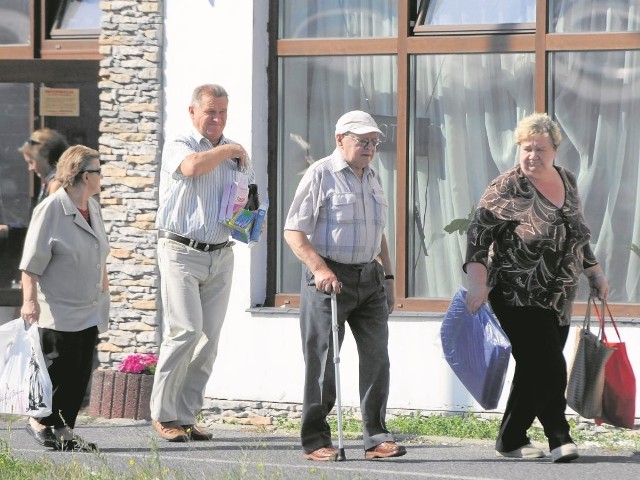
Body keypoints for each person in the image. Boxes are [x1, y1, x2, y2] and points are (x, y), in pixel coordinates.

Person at [463, 112, 609, 463]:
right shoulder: (505, 187)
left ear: (555, 150)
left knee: (533, 368)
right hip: (516, 292)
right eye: (526, 149)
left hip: (558, 295)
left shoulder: (567, 180)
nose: (532, 156)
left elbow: (578, 233)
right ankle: (560, 437)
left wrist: (595, 274)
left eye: (540, 149)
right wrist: (478, 284)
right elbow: (477, 239)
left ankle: (510, 439)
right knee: (549, 365)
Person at [284, 110, 406, 461]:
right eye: (362, 141)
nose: (370, 148)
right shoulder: (320, 173)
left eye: (374, 142)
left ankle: (376, 438)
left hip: (369, 277)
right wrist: (320, 269)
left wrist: (389, 279)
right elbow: (293, 231)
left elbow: (379, 233)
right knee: (322, 362)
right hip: (327, 279)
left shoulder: (373, 177)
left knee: (377, 359)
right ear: (341, 139)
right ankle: (316, 440)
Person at [151, 83, 254, 442]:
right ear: (192, 112)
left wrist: (252, 218)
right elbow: (192, 168)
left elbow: (244, 199)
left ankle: (186, 414)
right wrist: (229, 149)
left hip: (221, 252)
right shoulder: (181, 144)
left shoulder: (236, 153)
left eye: (223, 112)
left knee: (208, 339)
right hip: (180, 249)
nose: (217, 118)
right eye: (211, 111)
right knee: (185, 331)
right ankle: (164, 415)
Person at [19, 145, 110, 452]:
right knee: (58, 370)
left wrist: (104, 291)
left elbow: (100, 253)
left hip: (88, 306)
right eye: (98, 171)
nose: (101, 176)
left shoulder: (92, 206)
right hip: (57, 309)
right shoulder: (52, 209)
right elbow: (31, 263)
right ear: (86, 175)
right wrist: (29, 302)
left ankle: (65, 429)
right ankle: (40, 423)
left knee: (80, 371)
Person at [0, 128, 68, 240]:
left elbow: (50, 232)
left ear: (45, 157)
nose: (30, 168)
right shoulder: (50, 182)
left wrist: (9, 231)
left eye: (32, 162)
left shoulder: (57, 185)